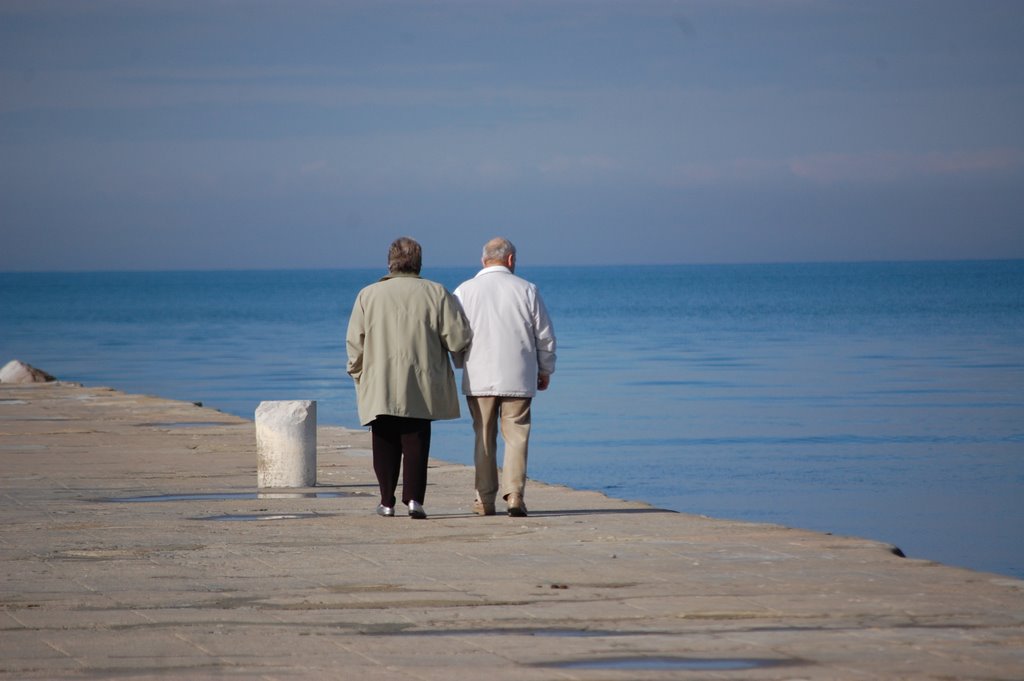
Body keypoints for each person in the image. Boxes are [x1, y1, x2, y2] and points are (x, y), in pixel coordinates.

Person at [346, 237, 472, 519]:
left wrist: (356, 372)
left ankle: (386, 501)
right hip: (421, 379)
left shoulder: (368, 295)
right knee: (415, 439)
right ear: (419, 263)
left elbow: (355, 342)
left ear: (389, 262)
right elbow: (457, 338)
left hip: (379, 380)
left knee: (383, 439)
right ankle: (414, 500)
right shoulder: (436, 292)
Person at [453, 237, 557, 517]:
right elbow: (544, 336)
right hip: (519, 375)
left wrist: (460, 362)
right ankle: (514, 496)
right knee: (517, 436)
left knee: (483, 437)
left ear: (483, 260)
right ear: (510, 260)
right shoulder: (527, 289)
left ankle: (484, 500)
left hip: (479, 376)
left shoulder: (464, 291)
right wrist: (545, 368)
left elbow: (454, 334)